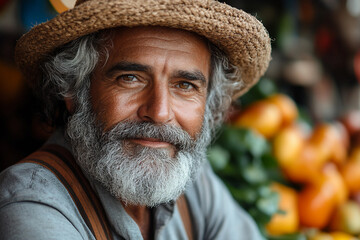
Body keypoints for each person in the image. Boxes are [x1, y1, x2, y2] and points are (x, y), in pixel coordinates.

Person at [0, 0, 271, 239]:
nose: (160, 112)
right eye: (130, 78)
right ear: (73, 90)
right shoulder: (31, 205)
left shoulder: (191, 179)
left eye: (185, 85)